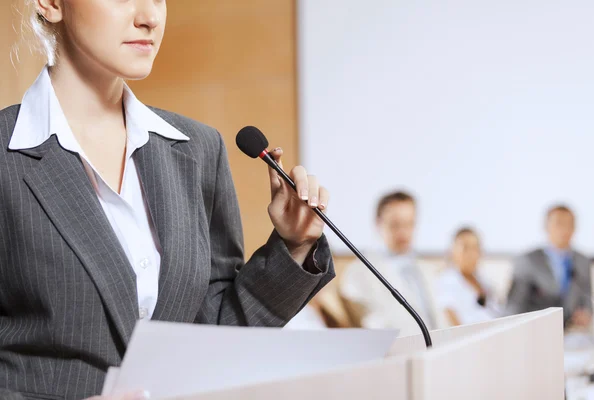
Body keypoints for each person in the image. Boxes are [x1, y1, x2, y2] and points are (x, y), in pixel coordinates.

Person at [0, 1, 335, 399]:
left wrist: (294, 245)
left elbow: (212, 333)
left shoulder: (199, 149)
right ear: (52, 4)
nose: (150, 17)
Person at [340, 191, 441, 334]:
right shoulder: (357, 273)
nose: (403, 232)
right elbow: (371, 325)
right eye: (395, 225)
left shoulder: (427, 269)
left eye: (409, 224)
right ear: (378, 224)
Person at [505, 205, 592, 329]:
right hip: (534, 331)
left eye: (570, 224)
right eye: (559, 224)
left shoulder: (583, 261)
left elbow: (587, 299)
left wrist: (586, 314)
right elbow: (514, 306)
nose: (565, 229)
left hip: (571, 333)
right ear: (546, 226)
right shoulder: (527, 261)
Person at [436, 227, 496, 326]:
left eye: (476, 248)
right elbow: (453, 324)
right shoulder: (447, 281)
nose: (472, 254)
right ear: (453, 251)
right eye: (466, 248)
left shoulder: (485, 281)